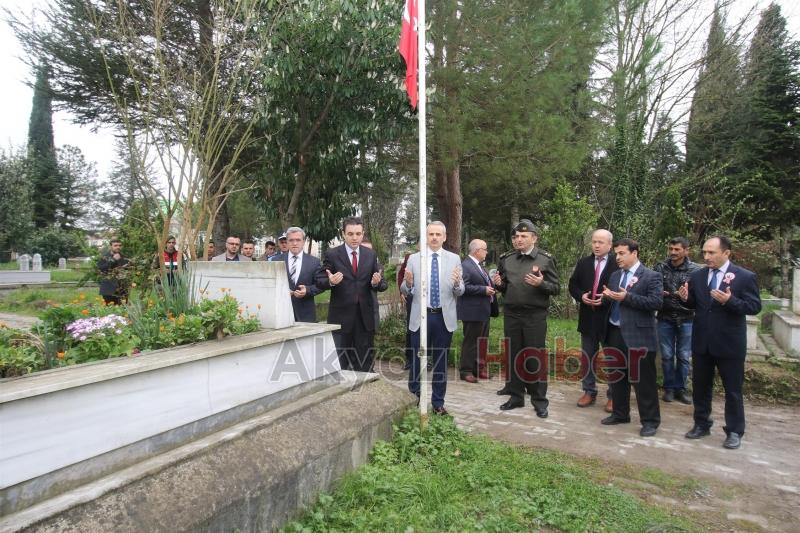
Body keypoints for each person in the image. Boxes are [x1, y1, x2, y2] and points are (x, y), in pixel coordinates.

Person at [677, 235, 761, 450]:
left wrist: (730, 301)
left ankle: (734, 431)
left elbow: (754, 306)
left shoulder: (744, 277)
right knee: (700, 387)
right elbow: (696, 304)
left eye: (711, 252)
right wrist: (685, 298)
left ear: (726, 253)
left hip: (729, 344)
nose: (706, 257)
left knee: (732, 390)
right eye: (704, 252)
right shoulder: (698, 276)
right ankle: (701, 424)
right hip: (702, 342)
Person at [492, 219, 559, 418]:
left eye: (523, 236)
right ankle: (516, 396)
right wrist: (498, 284)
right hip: (511, 315)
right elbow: (505, 286)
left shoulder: (545, 260)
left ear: (534, 238)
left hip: (534, 316)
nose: (518, 240)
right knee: (513, 356)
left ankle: (539, 401)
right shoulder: (507, 259)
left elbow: (556, 288)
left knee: (534, 358)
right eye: (516, 236)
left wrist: (541, 284)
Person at [401, 222, 465, 415]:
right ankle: (415, 398)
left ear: (444, 237)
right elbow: (405, 288)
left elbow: (460, 290)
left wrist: (456, 284)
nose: (435, 237)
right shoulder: (414, 259)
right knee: (417, 359)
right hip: (420, 318)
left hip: (442, 319)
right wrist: (409, 283)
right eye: (431, 234)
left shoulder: (454, 259)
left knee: (440, 361)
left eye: (438, 234)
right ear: (426, 237)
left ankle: (438, 403)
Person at [600, 238, 662, 437]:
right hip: (614, 332)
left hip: (640, 336)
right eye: (616, 254)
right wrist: (605, 298)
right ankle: (620, 413)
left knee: (644, 381)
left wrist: (627, 297)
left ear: (634, 253)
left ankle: (650, 421)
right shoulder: (615, 275)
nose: (617, 257)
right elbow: (612, 302)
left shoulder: (651, 276)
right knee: (617, 377)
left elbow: (655, 302)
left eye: (621, 253)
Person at [315, 217, 388, 372]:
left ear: (362, 234)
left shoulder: (370, 254)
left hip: (364, 319)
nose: (354, 237)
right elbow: (320, 279)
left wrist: (376, 283)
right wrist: (331, 281)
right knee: (339, 364)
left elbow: (382, 283)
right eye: (350, 234)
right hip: (341, 318)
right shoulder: (333, 254)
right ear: (343, 234)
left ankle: (364, 393)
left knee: (364, 364)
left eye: (358, 233)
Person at [568, 229, 618, 411]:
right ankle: (589, 391)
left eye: (601, 242)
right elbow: (572, 285)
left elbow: (622, 289)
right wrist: (582, 296)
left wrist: (606, 298)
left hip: (609, 319)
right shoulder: (583, 263)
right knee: (588, 357)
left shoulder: (617, 263)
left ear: (610, 245)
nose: (596, 245)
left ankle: (614, 395)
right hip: (588, 318)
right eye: (594, 242)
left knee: (613, 359)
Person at [653, 237, 701, 404]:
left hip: (687, 317)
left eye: (677, 249)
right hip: (665, 316)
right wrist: (661, 293)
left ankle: (681, 388)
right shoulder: (660, 267)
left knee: (683, 355)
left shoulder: (695, 270)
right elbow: (654, 287)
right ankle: (668, 388)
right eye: (671, 249)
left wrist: (686, 297)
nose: (673, 252)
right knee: (666, 355)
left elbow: (699, 294)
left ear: (686, 251)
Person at [457, 239, 497, 382]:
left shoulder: (479, 266)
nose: (487, 252)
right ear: (477, 251)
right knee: (471, 342)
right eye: (485, 249)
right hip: (472, 311)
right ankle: (466, 371)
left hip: (483, 310)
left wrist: (493, 285)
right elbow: (463, 287)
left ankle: (479, 369)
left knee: (482, 342)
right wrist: (483, 289)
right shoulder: (466, 265)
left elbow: (484, 282)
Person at [277, 227, 323, 322]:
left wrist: (308, 290)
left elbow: (321, 285)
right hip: (281, 313)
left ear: (303, 241)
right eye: (291, 240)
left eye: (298, 240)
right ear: (287, 241)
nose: (294, 243)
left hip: (306, 315)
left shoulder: (314, 262)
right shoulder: (276, 261)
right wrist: (281, 291)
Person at [98, 238, 130, 305]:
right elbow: (101, 268)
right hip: (108, 288)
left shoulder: (124, 257)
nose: (118, 247)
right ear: (110, 247)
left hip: (122, 288)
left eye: (119, 245)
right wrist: (113, 260)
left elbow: (127, 269)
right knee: (109, 311)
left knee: (123, 310)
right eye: (115, 245)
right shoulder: (104, 257)